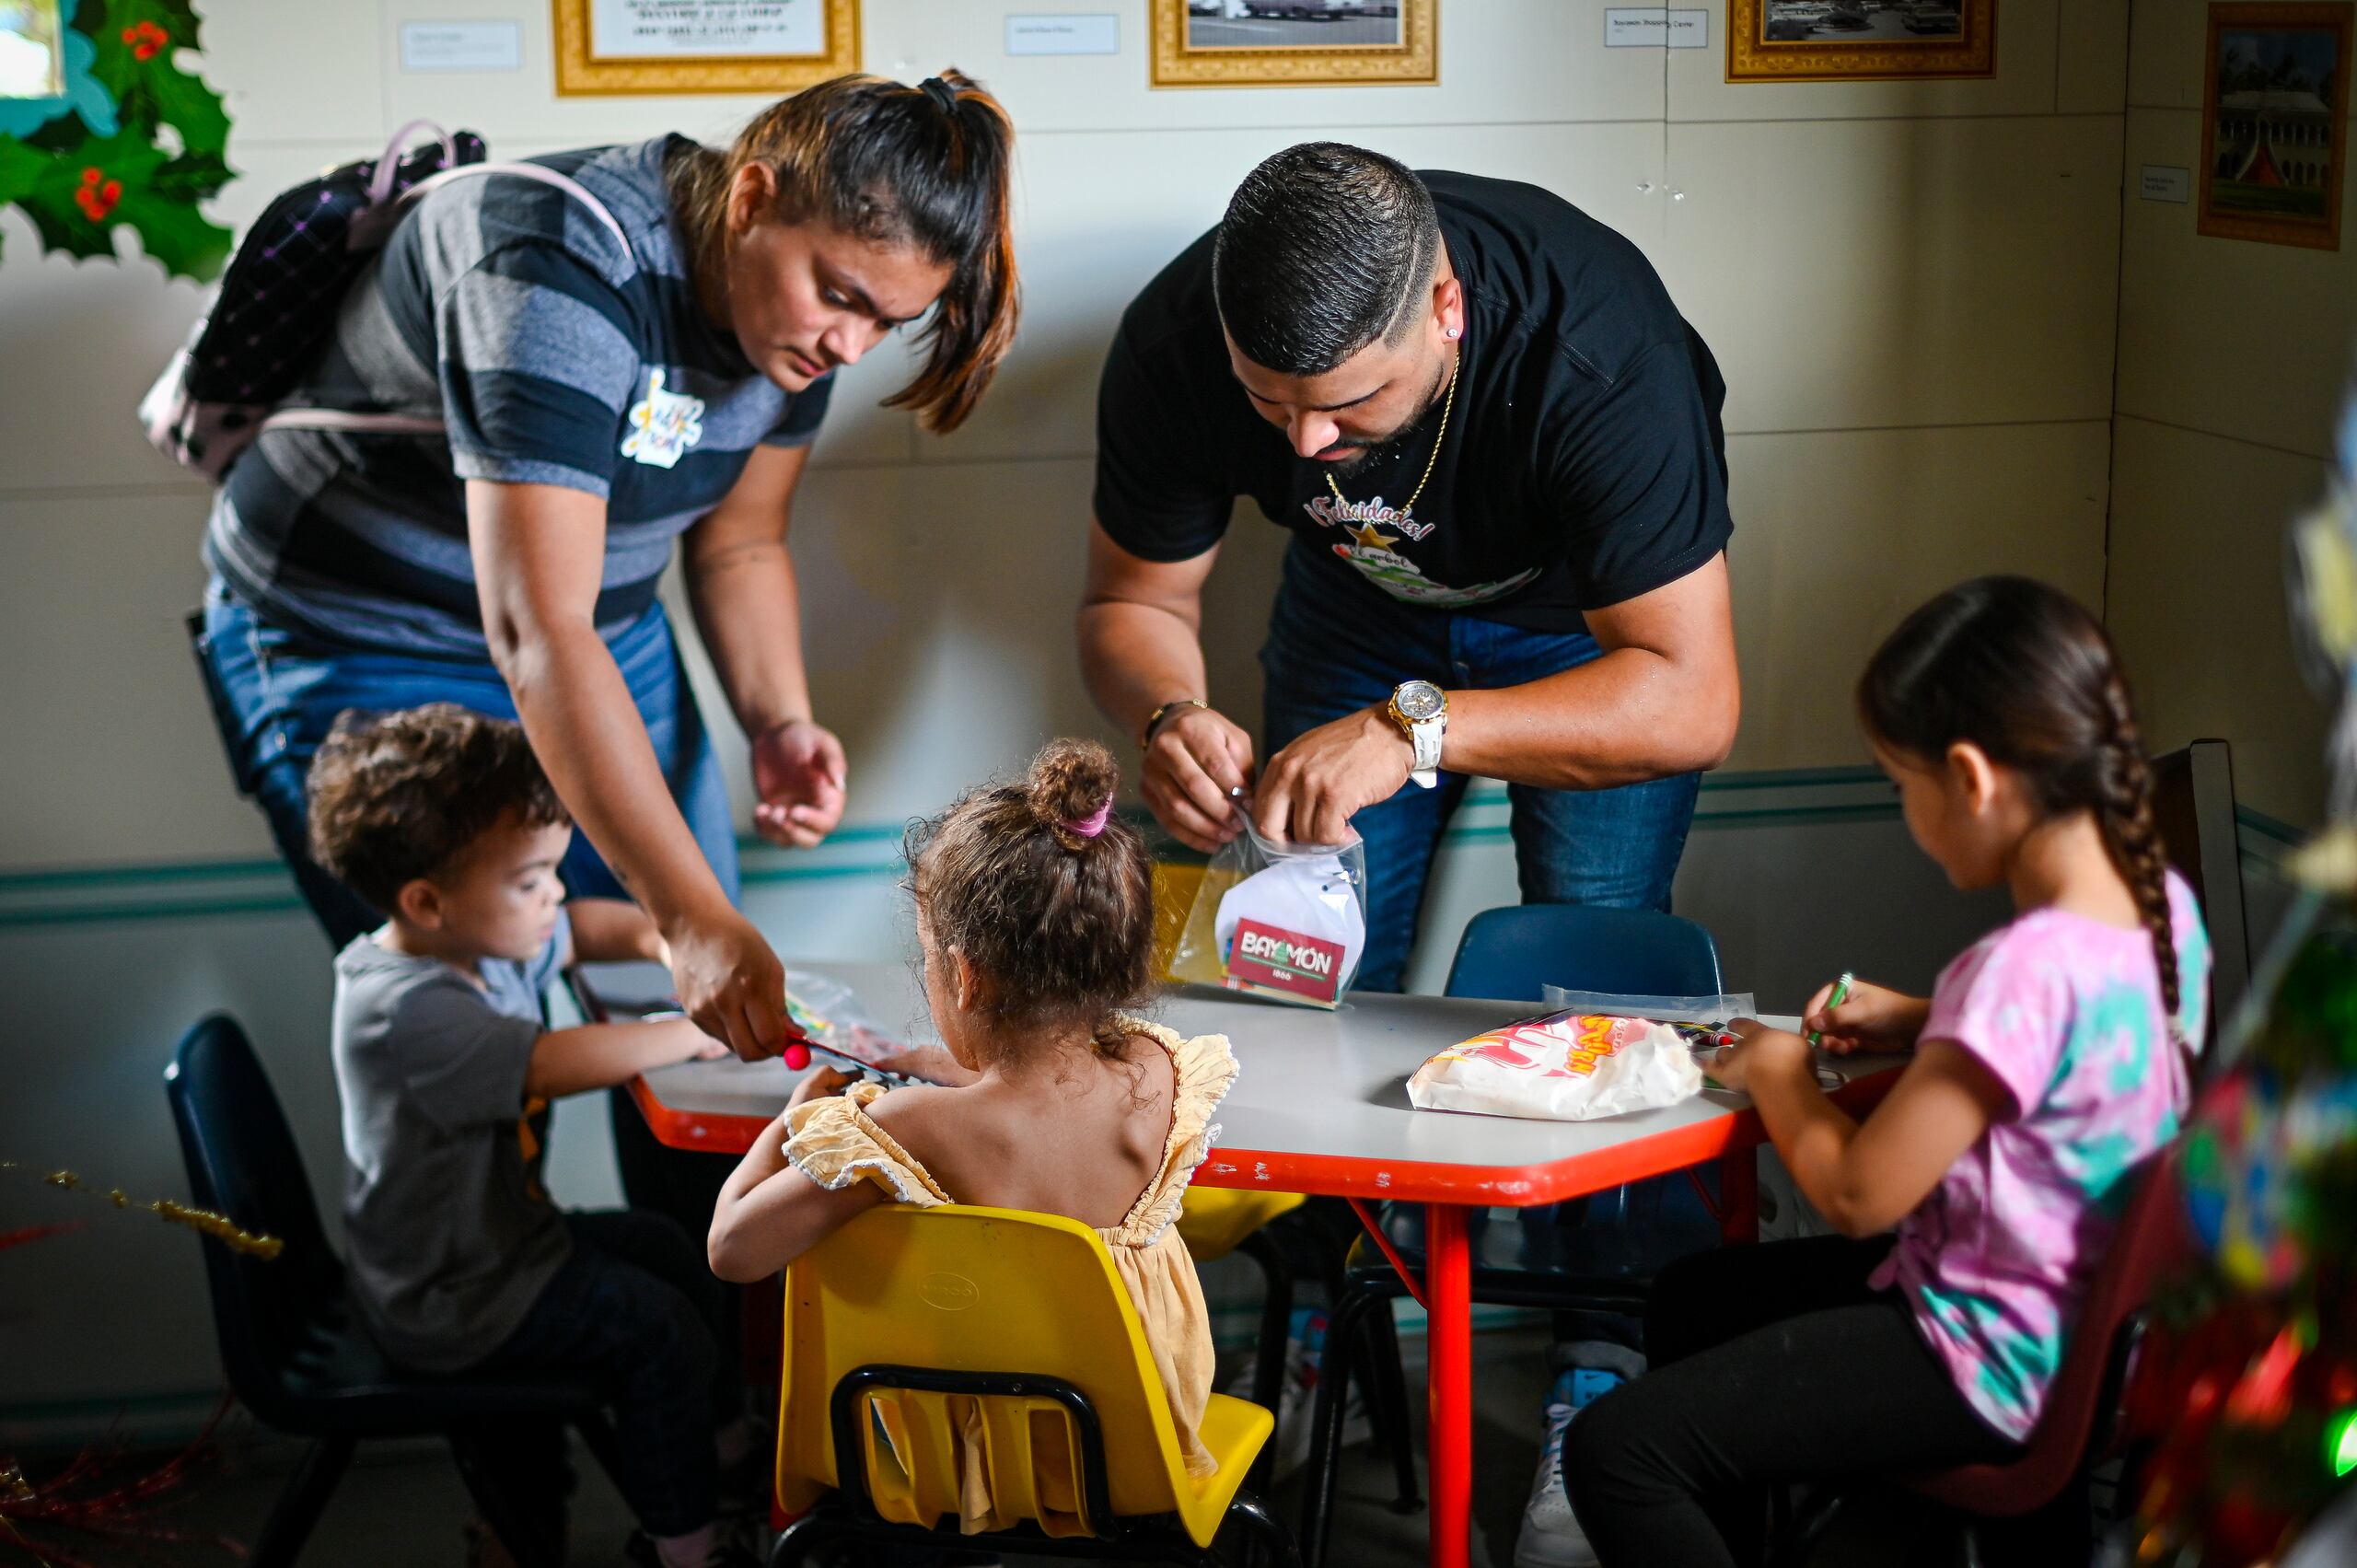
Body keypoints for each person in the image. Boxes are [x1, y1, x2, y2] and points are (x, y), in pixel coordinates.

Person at [192, 71, 1018, 1245]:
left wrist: (775, 718)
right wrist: (684, 912)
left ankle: (701, 1340)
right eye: (839, 296)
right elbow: (538, 628)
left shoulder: (792, 331)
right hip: (360, 624)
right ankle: (491, 1355)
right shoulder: (554, 260)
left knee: (719, 995)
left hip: (590, 623)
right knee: (465, 993)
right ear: (750, 197)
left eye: (888, 321)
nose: (849, 342)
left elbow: (736, 544)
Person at [1552, 577, 2211, 1568]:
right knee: (1695, 1297)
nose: (1906, 813)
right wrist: (1922, 1020)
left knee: (1617, 1453)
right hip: (2081, 1331)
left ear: (1971, 777)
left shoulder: (2018, 972)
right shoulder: (2156, 909)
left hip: (1983, 1354)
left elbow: (1859, 1194)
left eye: (1900, 785)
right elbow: (2068, 1054)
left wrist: (1780, 1072)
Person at [1080, 142, 1739, 994]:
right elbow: (1133, 599)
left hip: (1591, 636)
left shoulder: (1599, 350)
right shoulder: (1174, 344)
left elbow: (1693, 702)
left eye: (1349, 403)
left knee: (1593, 965)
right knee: (1311, 965)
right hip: (1355, 613)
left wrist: (1407, 728)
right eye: (1267, 400)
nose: (1306, 441)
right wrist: (1167, 711)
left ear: (1447, 309)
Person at [706, 739, 1240, 1529]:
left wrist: (792, 1123)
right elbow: (1046, 1091)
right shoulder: (1159, 1073)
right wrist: (975, 1075)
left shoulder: (907, 1128)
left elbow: (732, 1249)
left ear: (965, 975)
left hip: (978, 1466)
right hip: (1138, 1455)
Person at [308, 706, 759, 1568]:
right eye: (532, 880)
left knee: (668, 1246)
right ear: (426, 901)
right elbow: (551, 1062)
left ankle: (723, 1448)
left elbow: (585, 926)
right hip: (456, 1294)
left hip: (504, 1246)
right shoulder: (405, 1006)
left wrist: (672, 944)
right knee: (655, 1328)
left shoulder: (481, 938)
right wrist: (689, 1029)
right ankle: (688, 1546)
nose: (553, 893)